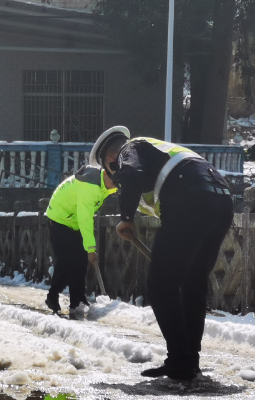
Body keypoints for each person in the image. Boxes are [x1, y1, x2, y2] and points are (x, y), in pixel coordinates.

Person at [91, 126, 233, 380]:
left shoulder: (129, 149)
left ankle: (180, 360)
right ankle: (190, 360)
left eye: (109, 170)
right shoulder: (157, 151)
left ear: (110, 159)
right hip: (221, 200)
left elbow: (131, 175)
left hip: (191, 198)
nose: (113, 178)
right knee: (192, 283)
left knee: (161, 284)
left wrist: (126, 219)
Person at [45, 163, 117, 314]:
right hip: (60, 218)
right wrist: (91, 248)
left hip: (74, 220)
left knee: (80, 261)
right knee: (66, 261)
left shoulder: (106, 185)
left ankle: (77, 300)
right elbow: (86, 219)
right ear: (105, 175)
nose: (115, 187)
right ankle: (52, 296)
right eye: (115, 182)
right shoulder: (89, 187)